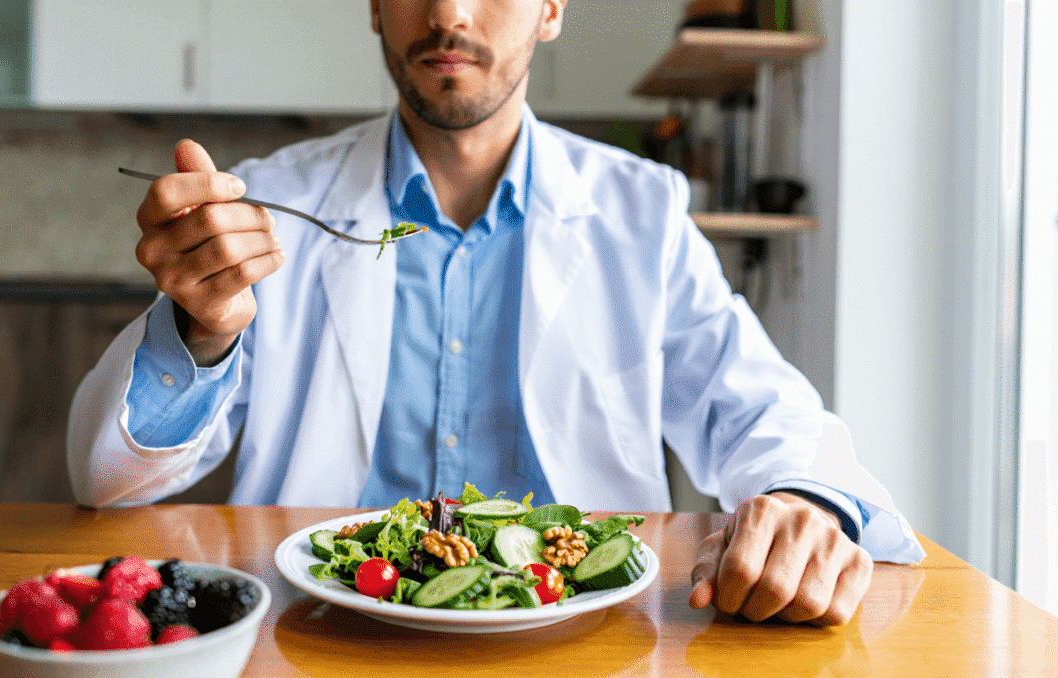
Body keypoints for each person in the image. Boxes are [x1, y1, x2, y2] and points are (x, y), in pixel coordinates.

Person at [68, 0, 925, 626]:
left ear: (552, 10)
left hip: (579, 637)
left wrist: (804, 501)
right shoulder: (277, 205)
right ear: (374, 8)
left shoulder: (642, 211)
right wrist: (202, 328)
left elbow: (761, 409)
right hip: (327, 630)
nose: (448, 12)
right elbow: (108, 482)